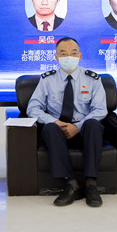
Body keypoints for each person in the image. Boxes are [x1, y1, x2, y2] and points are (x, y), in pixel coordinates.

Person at [26, 37, 108, 207]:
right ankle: (71, 184)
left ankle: (91, 185)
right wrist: (55, 122)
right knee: (49, 128)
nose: (69, 57)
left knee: (93, 124)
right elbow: (33, 108)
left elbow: (100, 109)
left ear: (80, 56)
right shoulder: (47, 79)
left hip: (84, 131)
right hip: (58, 132)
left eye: (73, 53)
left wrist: (77, 127)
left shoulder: (93, 79)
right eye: (63, 54)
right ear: (56, 57)